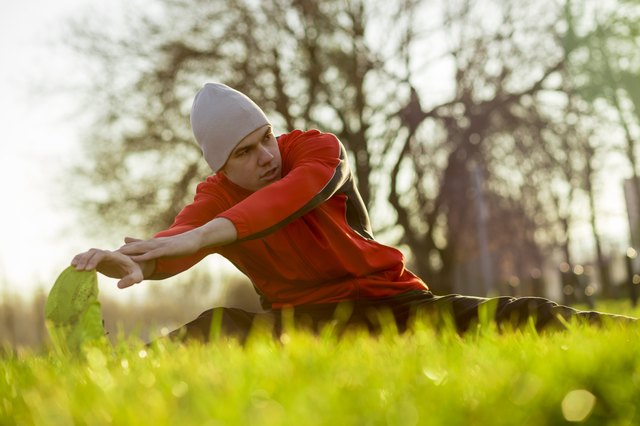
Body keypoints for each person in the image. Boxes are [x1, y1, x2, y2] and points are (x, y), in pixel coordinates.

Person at [71, 83, 635, 342]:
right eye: (244, 152)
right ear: (222, 165)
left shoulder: (317, 149)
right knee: (214, 328)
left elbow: (286, 200)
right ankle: (106, 372)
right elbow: (178, 237)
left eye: (265, 137)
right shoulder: (214, 197)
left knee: (519, 316)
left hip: (393, 306)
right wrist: (141, 262)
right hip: (305, 326)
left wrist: (199, 239)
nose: (266, 156)